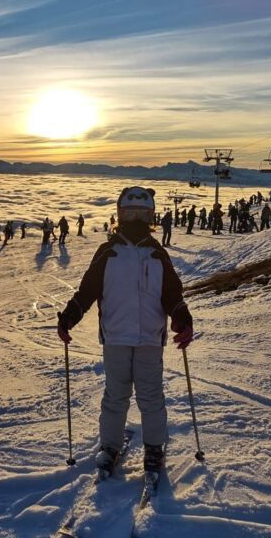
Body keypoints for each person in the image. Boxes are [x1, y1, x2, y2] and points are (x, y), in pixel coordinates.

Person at [57, 186, 193, 481]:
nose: (135, 220)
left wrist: (182, 317)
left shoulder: (158, 254)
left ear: (150, 216)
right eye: (129, 213)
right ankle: (109, 446)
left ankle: (154, 447)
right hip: (117, 337)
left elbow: (172, 294)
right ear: (119, 215)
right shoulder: (108, 252)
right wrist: (69, 316)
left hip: (148, 338)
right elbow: (88, 290)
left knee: (150, 396)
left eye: (141, 214)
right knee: (116, 396)